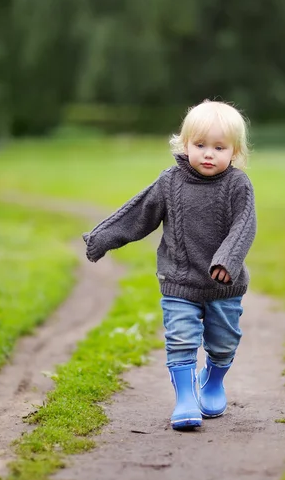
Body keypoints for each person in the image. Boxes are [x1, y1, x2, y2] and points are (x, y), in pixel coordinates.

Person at [82, 100, 257, 431]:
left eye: (219, 147)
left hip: (224, 284)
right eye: (200, 145)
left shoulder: (238, 185)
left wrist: (227, 260)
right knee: (180, 338)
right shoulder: (170, 182)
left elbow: (245, 225)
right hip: (179, 281)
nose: (208, 154)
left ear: (234, 151)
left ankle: (214, 380)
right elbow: (139, 213)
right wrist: (102, 238)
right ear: (185, 143)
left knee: (224, 342)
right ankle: (186, 399)